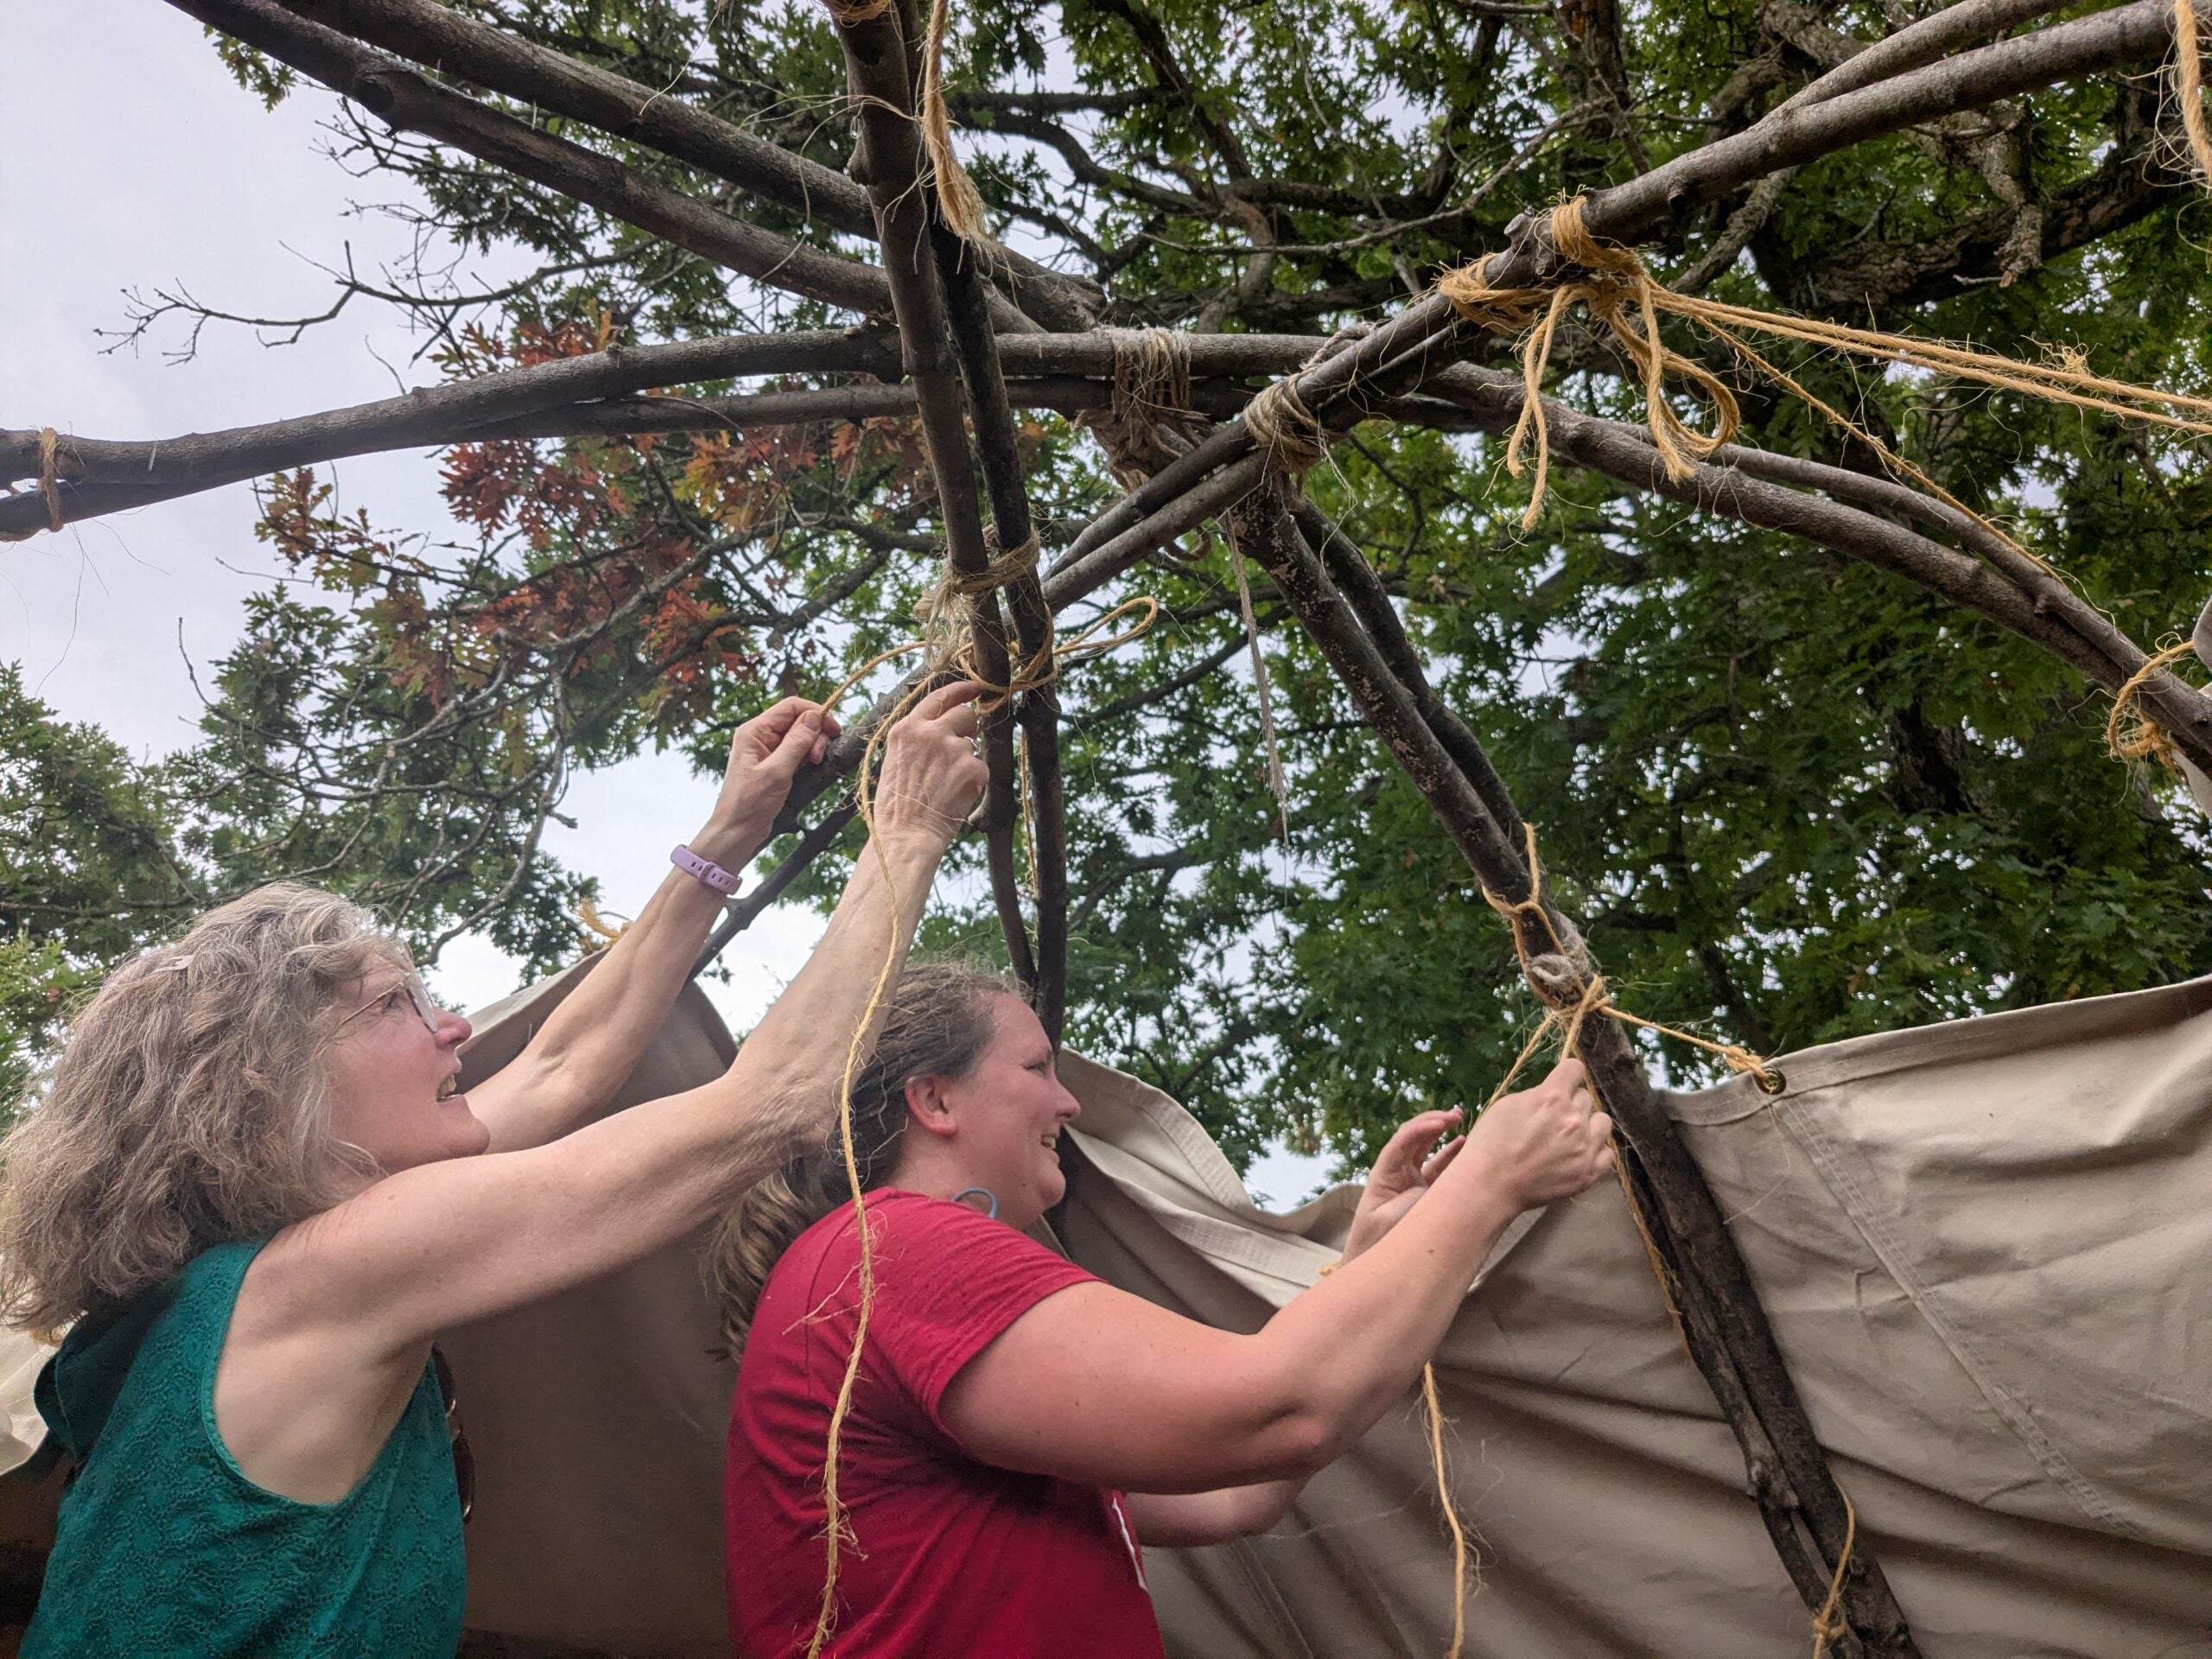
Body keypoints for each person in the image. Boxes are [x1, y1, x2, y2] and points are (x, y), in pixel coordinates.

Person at [0, 683, 988, 1658]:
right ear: (266, 1081)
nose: (456, 1028)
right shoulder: (326, 1273)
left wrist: (728, 833)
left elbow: (564, 1068)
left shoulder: (228, 1295)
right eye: (396, 1005)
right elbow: (770, 1103)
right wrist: (905, 829)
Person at [718, 963, 1615, 1658]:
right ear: (935, 1098)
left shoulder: (867, 1279)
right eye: (1036, 1067)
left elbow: (1235, 1491)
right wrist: (1493, 1179)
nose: (1066, 1101)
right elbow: (1278, 1411)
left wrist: (1370, 1258)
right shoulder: (898, 1250)